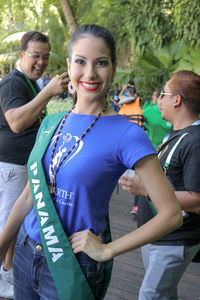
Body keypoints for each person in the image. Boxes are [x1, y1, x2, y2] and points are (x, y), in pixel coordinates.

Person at [0, 25, 182, 300]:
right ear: (69, 64)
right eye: (80, 61)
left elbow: (171, 214)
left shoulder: (127, 133)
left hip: (73, 264)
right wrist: (2, 245)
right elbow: (28, 196)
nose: (89, 73)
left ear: (113, 67)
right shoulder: (50, 123)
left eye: (101, 63)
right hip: (28, 253)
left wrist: (109, 249)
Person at [119, 70, 200, 299]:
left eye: (163, 94)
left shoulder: (194, 141)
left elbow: (197, 201)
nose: (158, 100)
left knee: (151, 295)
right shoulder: (177, 135)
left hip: (174, 238)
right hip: (158, 234)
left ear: (177, 100)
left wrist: (146, 189)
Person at [0, 31, 69, 299]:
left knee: (14, 224)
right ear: (21, 55)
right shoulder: (13, 82)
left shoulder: (30, 82)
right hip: (11, 166)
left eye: (46, 57)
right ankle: (4, 275)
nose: (41, 62)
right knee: (8, 222)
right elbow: (16, 122)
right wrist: (49, 92)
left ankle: (7, 273)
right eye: (35, 56)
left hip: (21, 166)